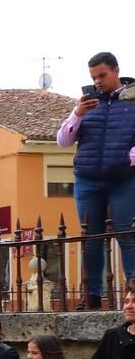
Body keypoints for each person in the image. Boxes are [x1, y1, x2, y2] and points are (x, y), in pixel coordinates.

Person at [56, 52, 135, 309]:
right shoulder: (86, 105)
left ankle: (133, 294)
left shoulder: (132, 101)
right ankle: (91, 297)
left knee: (127, 237)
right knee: (91, 239)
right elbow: (63, 141)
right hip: (87, 180)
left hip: (123, 179)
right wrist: (77, 114)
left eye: (102, 75)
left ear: (116, 71)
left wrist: (129, 157)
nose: (98, 81)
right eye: (93, 77)